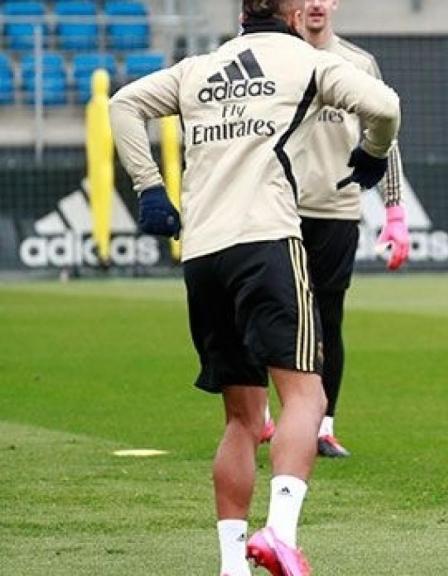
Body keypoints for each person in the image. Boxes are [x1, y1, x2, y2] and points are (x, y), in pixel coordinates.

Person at [109, 1, 401, 574]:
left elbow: (122, 105)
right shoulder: (306, 60)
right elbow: (385, 105)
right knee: (307, 397)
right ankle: (281, 533)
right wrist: (373, 151)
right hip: (266, 242)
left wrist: (149, 187)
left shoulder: (201, 66)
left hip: (201, 253)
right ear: (292, 12)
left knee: (243, 420)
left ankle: (230, 564)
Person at [293, 0, 411, 458]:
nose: (315, 4)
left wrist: (395, 210)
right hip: (278, 209)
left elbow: (384, 136)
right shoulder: (279, 59)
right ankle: (260, 417)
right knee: (273, 315)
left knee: (329, 318)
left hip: (338, 209)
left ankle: (323, 426)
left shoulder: (358, 63)